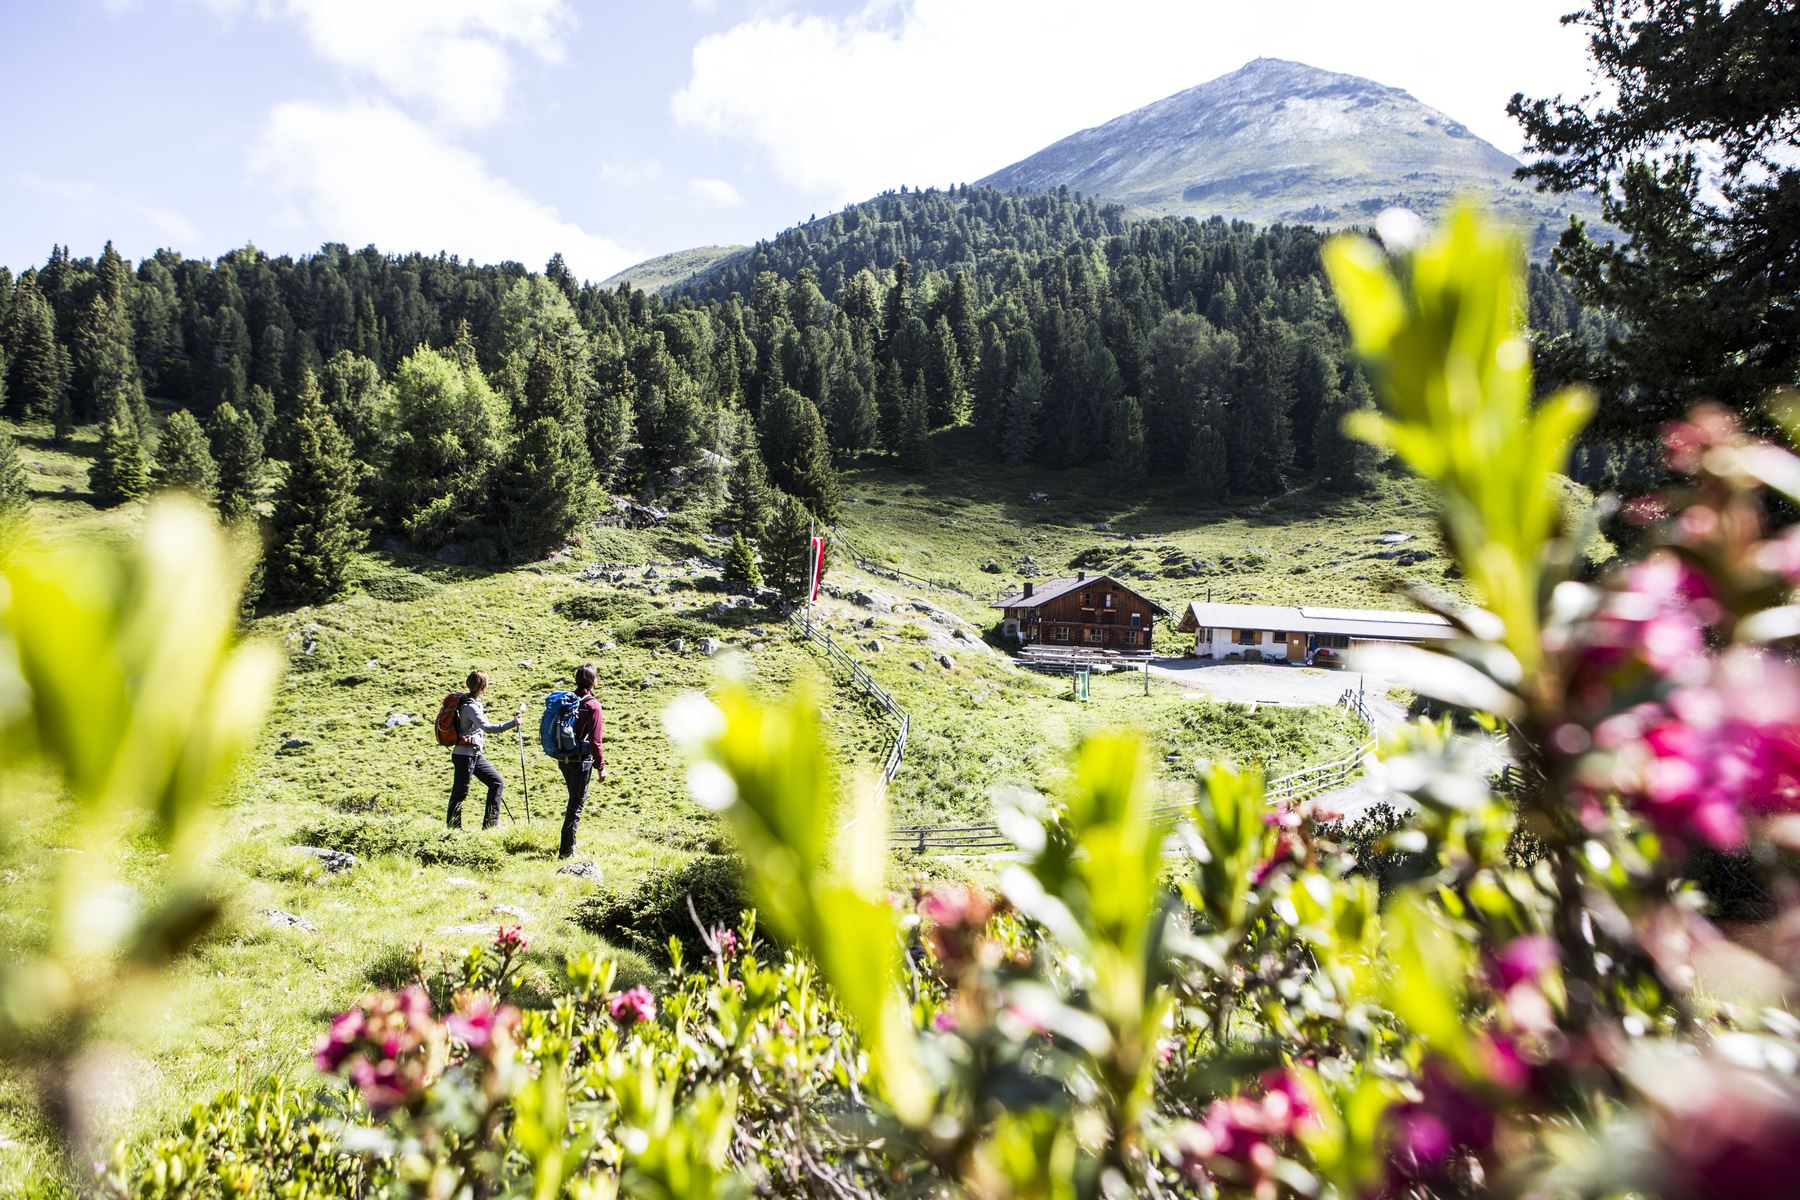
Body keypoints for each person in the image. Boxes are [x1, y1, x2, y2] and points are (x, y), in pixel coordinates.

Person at [448, 669, 523, 831]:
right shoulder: (470, 707)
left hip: (473, 754)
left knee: (496, 782)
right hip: (465, 756)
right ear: (482, 686)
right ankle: (453, 829)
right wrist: (513, 723)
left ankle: (490, 825)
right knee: (460, 793)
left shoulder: (471, 702)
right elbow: (488, 728)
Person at [557, 663, 606, 858]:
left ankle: (570, 845)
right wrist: (600, 767)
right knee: (576, 805)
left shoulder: (568, 700)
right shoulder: (592, 706)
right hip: (581, 762)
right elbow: (596, 741)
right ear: (594, 682)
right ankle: (566, 851)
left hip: (563, 759)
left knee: (573, 801)